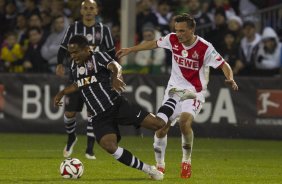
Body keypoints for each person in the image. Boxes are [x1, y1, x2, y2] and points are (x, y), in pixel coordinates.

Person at [54, 34, 195, 180]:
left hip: (116, 105)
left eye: (76, 52)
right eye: (71, 53)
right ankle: (148, 169)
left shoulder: (98, 57)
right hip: (99, 116)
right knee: (109, 146)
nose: (73, 56)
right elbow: (80, 83)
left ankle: (175, 96)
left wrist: (116, 76)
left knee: (159, 124)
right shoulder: (74, 66)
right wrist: (63, 92)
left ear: (86, 49)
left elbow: (115, 66)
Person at [116, 13, 239, 179]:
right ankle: (160, 165)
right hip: (174, 90)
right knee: (161, 127)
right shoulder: (172, 39)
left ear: (192, 30)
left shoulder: (205, 47)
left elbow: (224, 64)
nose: (178, 34)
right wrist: (131, 49)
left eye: (182, 31)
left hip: (194, 92)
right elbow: (153, 44)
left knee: (184, 123)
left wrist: (230, 78)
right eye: (176, 30)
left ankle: (186, 161)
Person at [56, 0, 116, 159]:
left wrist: (110, 71)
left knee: (92, 112)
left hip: (96, 77)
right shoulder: (73, 28)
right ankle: (71, 138)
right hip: (76, 75)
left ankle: (89, 149)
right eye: (86, 8)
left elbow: (111, 52)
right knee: (69, 113)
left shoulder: (103, 30)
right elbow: (63, 47)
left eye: (92, 8)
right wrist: (59, 63)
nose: (89, 11)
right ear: (81, 11)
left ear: (97, 11)